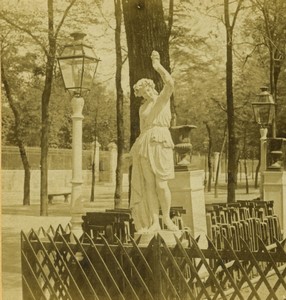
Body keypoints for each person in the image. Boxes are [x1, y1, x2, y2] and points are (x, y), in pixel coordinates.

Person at [130, 50, 178, 233]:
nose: (147, 93)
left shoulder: (163, 99)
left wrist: (157, 66)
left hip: (161, 141)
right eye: (143, 92)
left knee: (161, 183)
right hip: (145, 144)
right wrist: (134, 149)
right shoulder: (143, 109)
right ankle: (154, 222)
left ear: (152, 87)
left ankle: (166, 218)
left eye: (148, 89)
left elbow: (170, 83)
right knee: (149, 184)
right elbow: (142, 130)